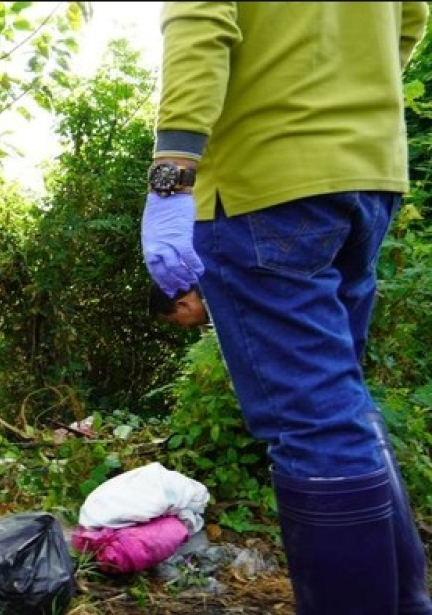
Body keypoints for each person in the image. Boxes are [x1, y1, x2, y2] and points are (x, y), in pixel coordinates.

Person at [139, 3, 431, 614]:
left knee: (313, 425)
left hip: (265, 183)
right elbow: (410, 18)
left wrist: (172, 177)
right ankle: (404, 602)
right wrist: (349, 110)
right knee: (340, 406)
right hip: (369, 175)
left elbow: (200, 26)